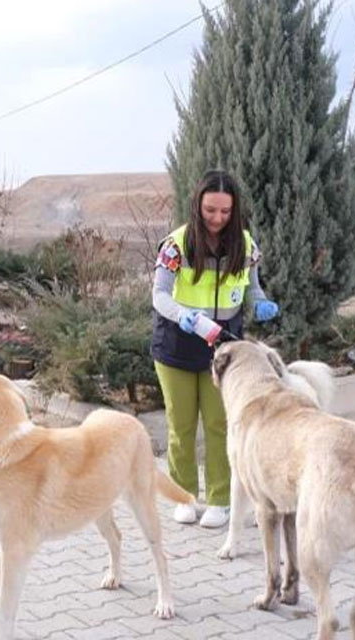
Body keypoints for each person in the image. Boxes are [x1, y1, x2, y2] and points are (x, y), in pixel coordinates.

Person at [150, 169, 279, 529]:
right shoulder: (176, 245)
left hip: (225, 350)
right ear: (197, 206)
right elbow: (159, 295)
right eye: (210, 210)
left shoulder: (246, 244)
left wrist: (261, 302)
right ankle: (184, 496)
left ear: (234, 210)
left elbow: (252, 287)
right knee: (181, 425)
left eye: (225, 211)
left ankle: (221, 500)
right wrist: (183, 315)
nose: (218, 219)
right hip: (177, 344)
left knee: (221, 424)